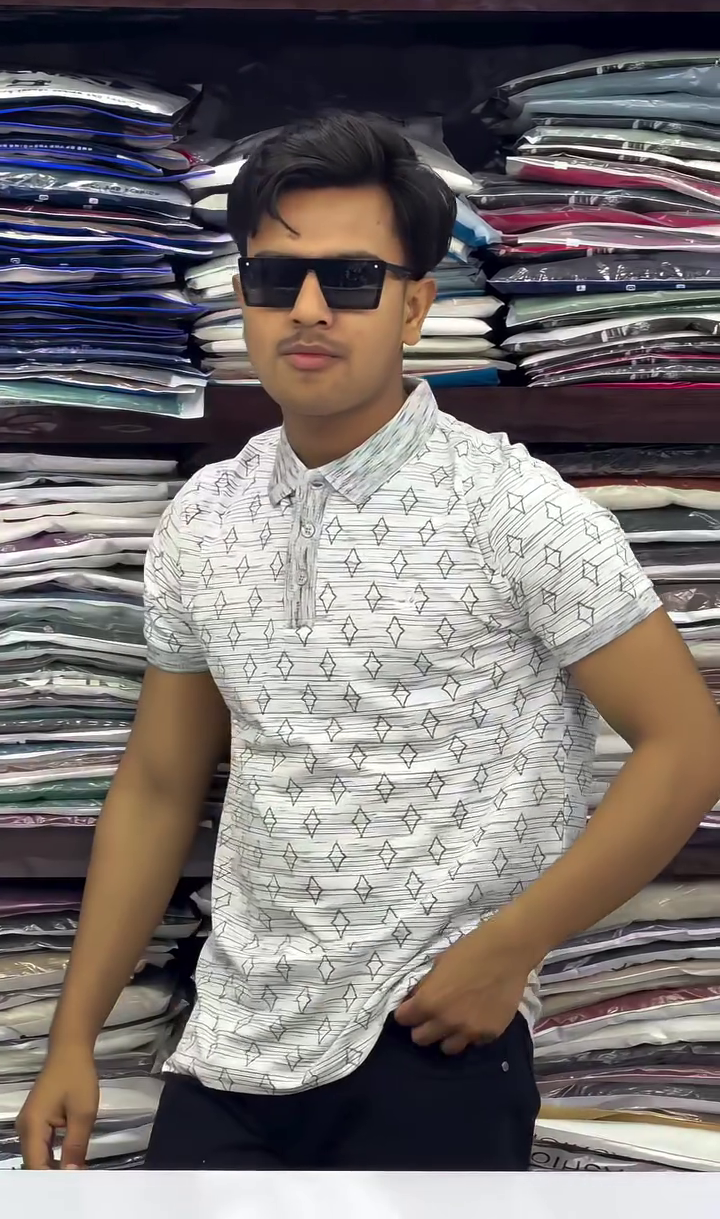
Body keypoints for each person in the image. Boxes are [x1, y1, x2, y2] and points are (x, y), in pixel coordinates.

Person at [18, 112, 720, 1173]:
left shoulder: (515, 507)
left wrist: (512, 948)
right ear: (244, 295)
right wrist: (74, 1036)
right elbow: (160, 783)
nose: (308, 309)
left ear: (415, 304)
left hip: (431, 1034)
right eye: (275, 278)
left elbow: (686, 746)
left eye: (350, 279)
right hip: (230, 1045)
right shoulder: (205, 516)